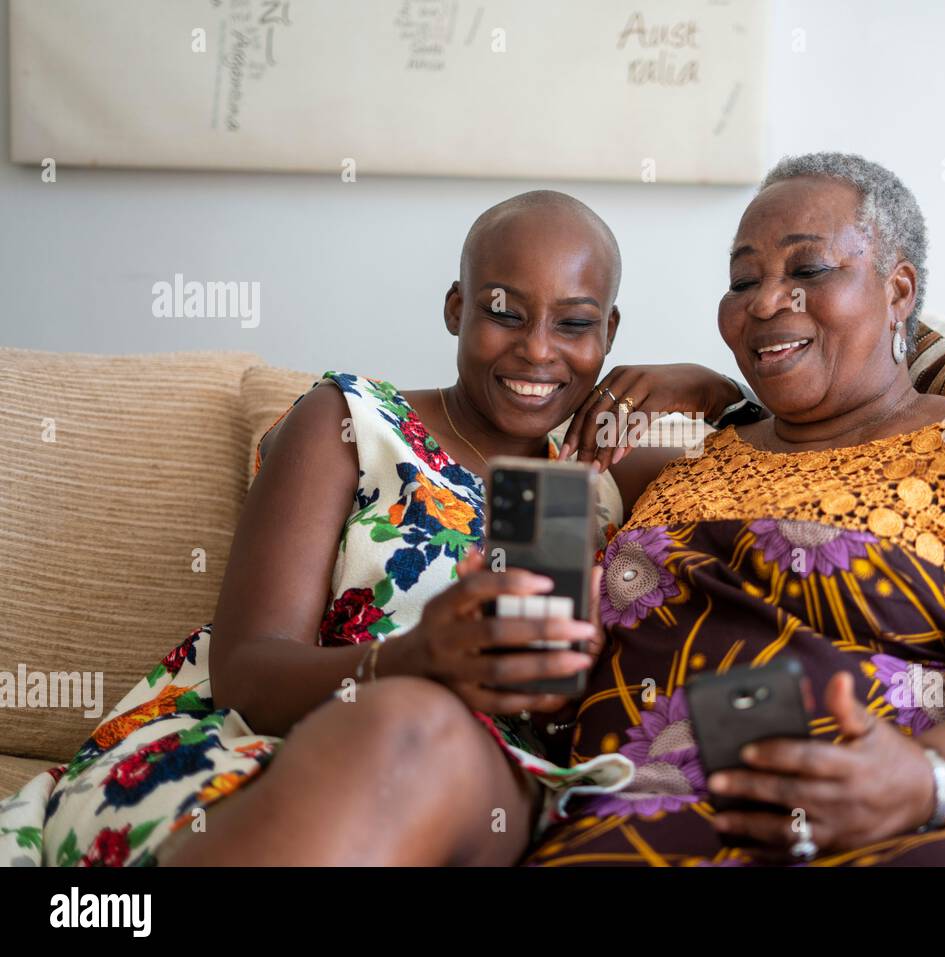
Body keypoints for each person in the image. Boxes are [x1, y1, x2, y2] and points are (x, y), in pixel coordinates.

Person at [0, 190, 754, 866]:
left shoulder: (609, 472)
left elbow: (790, 472)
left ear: (611, 332)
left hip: (483, 779)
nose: (537, 348)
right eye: (503, 311)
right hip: (260, 743)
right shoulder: (351, 421)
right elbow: (249, 670)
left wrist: (715, 390)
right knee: (397, 738)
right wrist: (412, 658)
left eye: (576, 323)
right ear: (456, 307)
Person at [525, 152, 945, 867]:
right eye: (743, 280)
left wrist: (924, 781)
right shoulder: (686, 470)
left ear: (898, 291)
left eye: (808, 271)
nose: (766, 302)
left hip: (901, 831)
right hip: (640, 829)